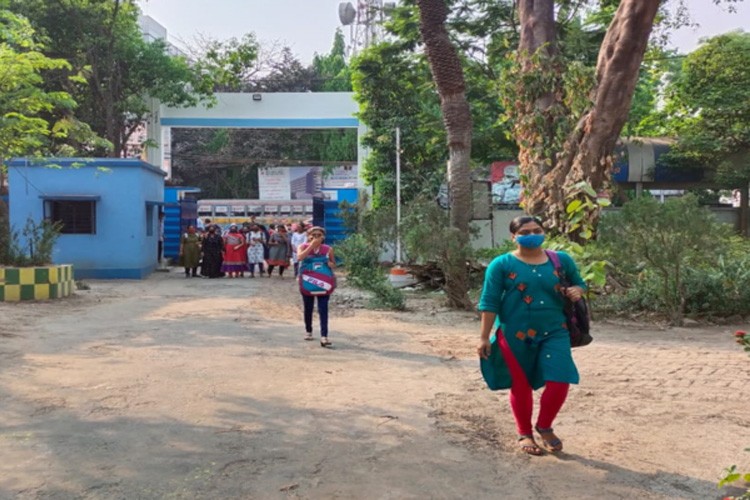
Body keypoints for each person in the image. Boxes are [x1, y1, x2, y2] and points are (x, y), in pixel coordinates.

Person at [477, 215, 586, 456]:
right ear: (513, 237)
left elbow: (580, 283)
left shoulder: (561, 260)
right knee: (521, 385)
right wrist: (484, 337)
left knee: (561, 379)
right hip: (514, 335)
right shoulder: (501, 264)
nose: (531, 234)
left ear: (544, 232)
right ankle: (525, 433)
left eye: (536, 230)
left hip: (556, 331)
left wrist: (578, 290)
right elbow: (489, 301)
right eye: (525, 231)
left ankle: (544, 426)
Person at [297, 226, 336, 347]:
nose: (315, 237)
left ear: (323, 236)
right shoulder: (303, 247)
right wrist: (311, 246)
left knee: (323, 309)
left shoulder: (328, 249)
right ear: (308, 236)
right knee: (308, 308)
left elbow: (333, 263)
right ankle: (308, 331)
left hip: (323, 282)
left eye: (319, 235)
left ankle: (324, 336)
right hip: (308, 281)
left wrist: (331, 264)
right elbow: (300, 257)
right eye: (313, 235)